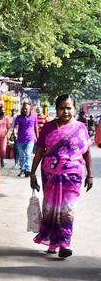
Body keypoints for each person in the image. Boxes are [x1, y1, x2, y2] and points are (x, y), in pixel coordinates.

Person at [30, 94, 93, 259]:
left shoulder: (80, 128)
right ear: (56, 109)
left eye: (69, 108)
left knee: (67, 209)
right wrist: (32, 174)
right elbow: (39, 152)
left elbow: (87, 152)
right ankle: (52, 242)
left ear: (74, 109)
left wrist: (90, 175)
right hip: (50, 174)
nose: (65, 111)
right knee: (50, 209)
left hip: (73, 175)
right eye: (62, 108)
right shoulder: (48, 127)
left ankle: (64, 244)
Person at [13, 103, 39, 176]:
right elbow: (16, 127)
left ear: (30, 109)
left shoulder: (34, 117)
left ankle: (28, 170)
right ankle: (22, 169)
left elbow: (36, 127)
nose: (25, 110)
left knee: (28, 153)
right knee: (22, 156)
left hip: (30, 138)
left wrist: (37, 137)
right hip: (20, 139)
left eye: (26, 109)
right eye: (23, 109)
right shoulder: (18, 117)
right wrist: (15, 133)